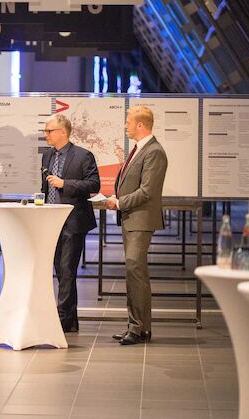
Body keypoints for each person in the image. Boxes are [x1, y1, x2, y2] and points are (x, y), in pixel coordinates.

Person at [105, 105, 168, 345]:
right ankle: (139, 326)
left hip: (140, 219)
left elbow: (148, 191)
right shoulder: (140, 149)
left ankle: (137, 327)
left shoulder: (154, 152)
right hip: (132, 219)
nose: (125, 126)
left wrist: (119, 203)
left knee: (135, 270)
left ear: (140, 125)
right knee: (135, 273)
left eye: (128, 122)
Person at [41, 113, 101, 333]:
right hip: (51, 220)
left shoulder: (83, 156)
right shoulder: (47, 156)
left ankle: (63, 318)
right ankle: (70, 320)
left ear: (62, 132)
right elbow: (45, 187)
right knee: (60, 269)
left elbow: (94, 184)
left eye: (49, 131)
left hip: (73, 221)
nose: (45, 134)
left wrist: (65, 183)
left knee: (67, 270)